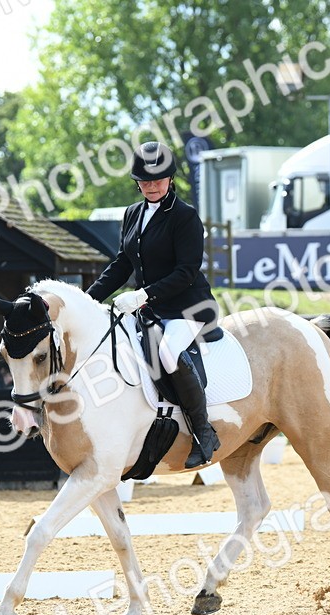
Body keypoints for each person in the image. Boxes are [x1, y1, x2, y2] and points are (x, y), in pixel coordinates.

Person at [86, 141, 221, 469]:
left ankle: (204, 432)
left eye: (158, 180)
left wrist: (143, 295)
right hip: (149, 309)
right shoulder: (132, 213)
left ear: (170, 179)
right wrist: (87, 299)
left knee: (168, 353)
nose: (151, 186)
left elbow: (187, 271)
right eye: (145, 181)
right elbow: (122, 264)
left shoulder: (185, 217)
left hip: (187, 306)